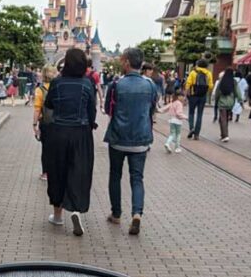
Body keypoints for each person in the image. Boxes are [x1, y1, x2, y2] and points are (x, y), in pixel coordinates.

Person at [42, 47, 97, 236]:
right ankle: (75, 210)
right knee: (78, 171)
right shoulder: (87, 84)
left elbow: (49, 105)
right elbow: (92, 111)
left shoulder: (57, 82)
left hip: (58, 132)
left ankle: (57, 215)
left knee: (57, 172)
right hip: (80, 132)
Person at [104, 47, 156, 236]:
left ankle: (116, 213)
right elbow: (152, 108)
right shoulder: (150, 85)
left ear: (126, 62)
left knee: (115, 175)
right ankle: (137, 213)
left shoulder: (116, 84)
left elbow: (108, 109)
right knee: (137, 178)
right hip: (141, 139)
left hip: (118, 138)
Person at [32, 64, 57, 182]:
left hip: (45, 122)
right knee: (57, 148)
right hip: (58, 123)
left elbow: (37, 109)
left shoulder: (39, 90)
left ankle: (46, 173)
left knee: (46, 149)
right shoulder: (59, 88)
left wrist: (34, 124)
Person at [184, 59, 213, 140]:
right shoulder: (208, 73)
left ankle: (191, 128)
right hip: (203, 96)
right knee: (200, 114)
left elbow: (188, 84)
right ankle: (197, 134)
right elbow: (210, 86)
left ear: (197, 64)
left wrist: (186, 94)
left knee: (191, 113)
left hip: (193, 95)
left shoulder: (193, 72)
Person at [212, 66, 242, 143]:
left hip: (222, 102)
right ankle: (223, 134)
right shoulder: (234, 82)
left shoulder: (222, 81)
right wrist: (240, 100)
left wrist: (216, 99)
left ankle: (225, 135)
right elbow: (237, 91)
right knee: (225, 119)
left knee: (223, 119)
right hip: (231, 103)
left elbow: (218, 91)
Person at [157, 89, 187, 153]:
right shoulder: (179, 104)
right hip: (178, 121)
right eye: (183, 96)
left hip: (171, 120)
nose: (184, 98)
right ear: (179, 96)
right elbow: (178, 113)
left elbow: (165, 109)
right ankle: (177, 148)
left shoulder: (172, 102)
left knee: (172, 134)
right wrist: (185, 117)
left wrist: (159, 110)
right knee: (178, 134)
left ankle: (167, 143)